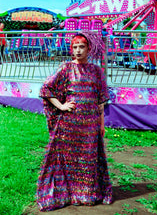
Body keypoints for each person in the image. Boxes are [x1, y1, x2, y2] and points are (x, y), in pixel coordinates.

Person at [37, 31, 113, 211]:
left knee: (88, 160)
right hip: (69, 125)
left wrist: (101, 125)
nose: (78, 51)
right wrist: (61, 106)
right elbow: (46, 89)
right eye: (75, 47)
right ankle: (67, 194)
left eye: (82, 47)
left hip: (90, 125)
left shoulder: (96, 71)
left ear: (89, 48)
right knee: (69, 160)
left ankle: (86, 194)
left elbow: (101, 102)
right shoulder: (65, 68)